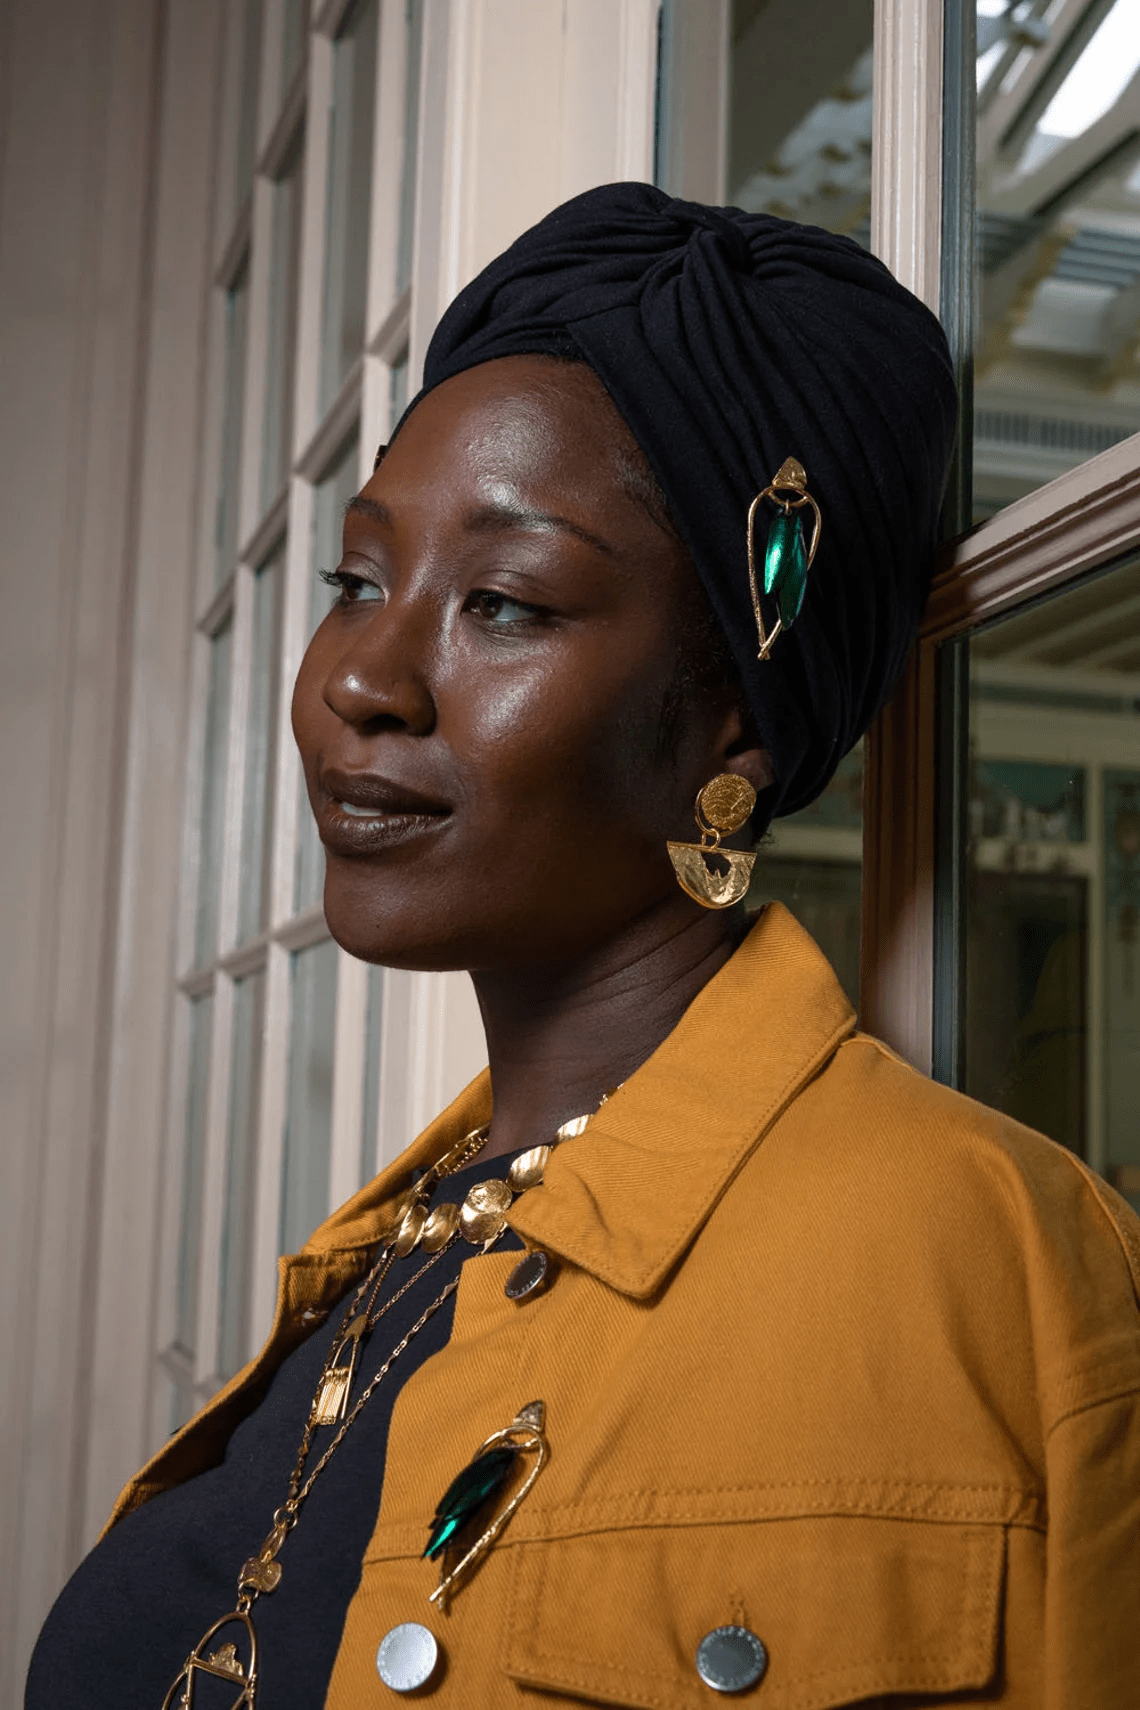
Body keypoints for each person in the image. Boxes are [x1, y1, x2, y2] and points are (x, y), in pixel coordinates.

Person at [26, 183, 1140, 1708]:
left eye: (504, 600)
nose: (364, 675)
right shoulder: (401, 1240)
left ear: (733, 717)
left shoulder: (989, 1256)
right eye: (359, 579)